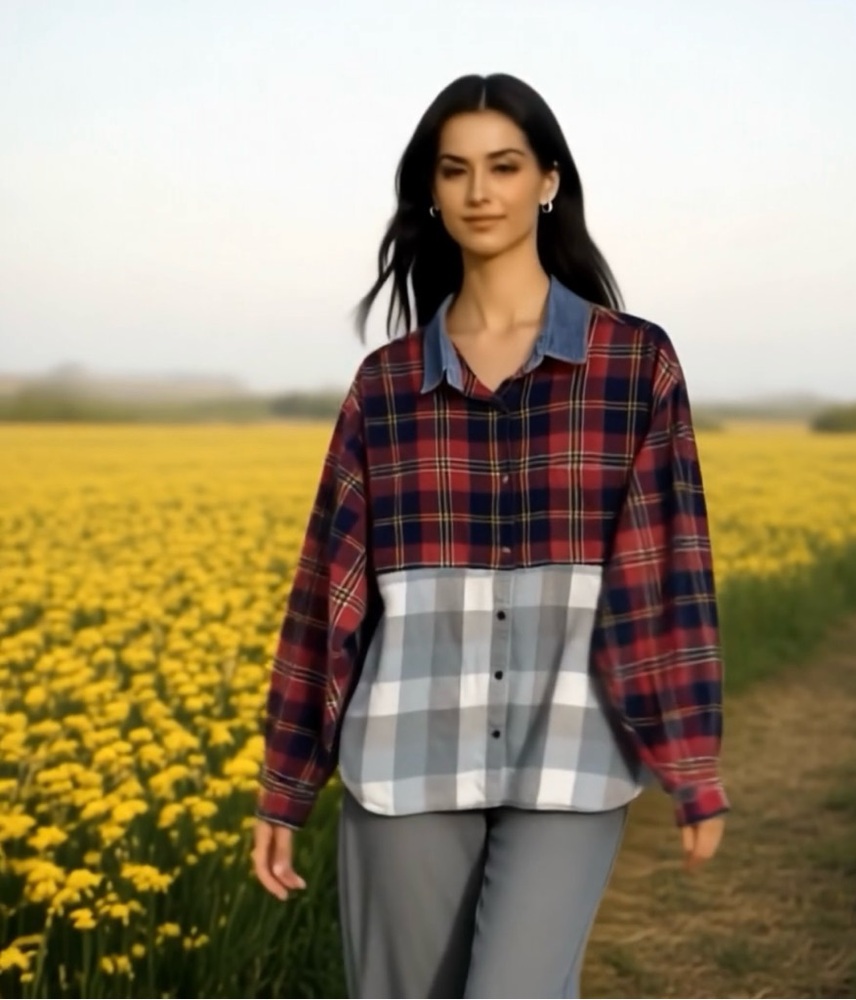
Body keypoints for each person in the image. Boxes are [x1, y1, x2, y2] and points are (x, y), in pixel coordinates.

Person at [252, 72, 729, 999]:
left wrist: (690, 760)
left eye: (504, 166)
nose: (480, 191)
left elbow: (666, 574)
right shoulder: (385, 385)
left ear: (548, 179)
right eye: (456, 170)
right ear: (431, 192)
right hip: (402, 758)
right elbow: (329, 593)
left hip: (574, 752)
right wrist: (287, 783)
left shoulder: (633, 365)